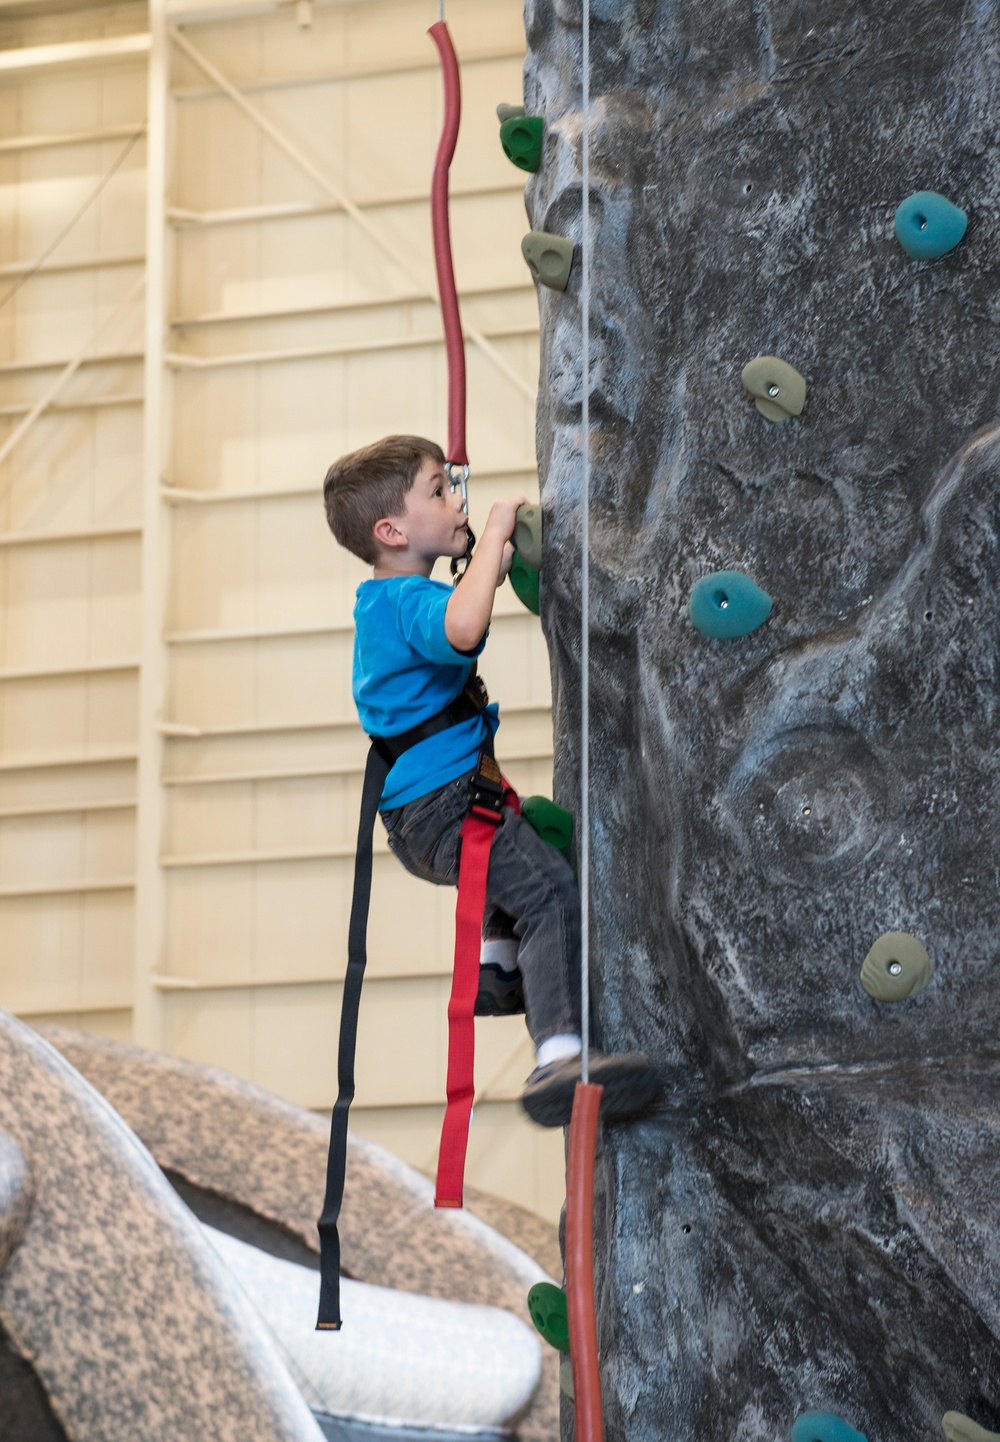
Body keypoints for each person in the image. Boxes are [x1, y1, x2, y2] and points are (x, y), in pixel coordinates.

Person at [322, 434, 659, 1126]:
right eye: (440, 493)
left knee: (533, 833)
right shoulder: (402, 604)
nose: (458, 502)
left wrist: (487, 560)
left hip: (433, 809)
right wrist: (496, 531)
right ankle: (559, 1057)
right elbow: (461, 629)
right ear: (392, 531)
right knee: (550, 895)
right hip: (442, 809)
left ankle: (500, 963)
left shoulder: (392, 601)